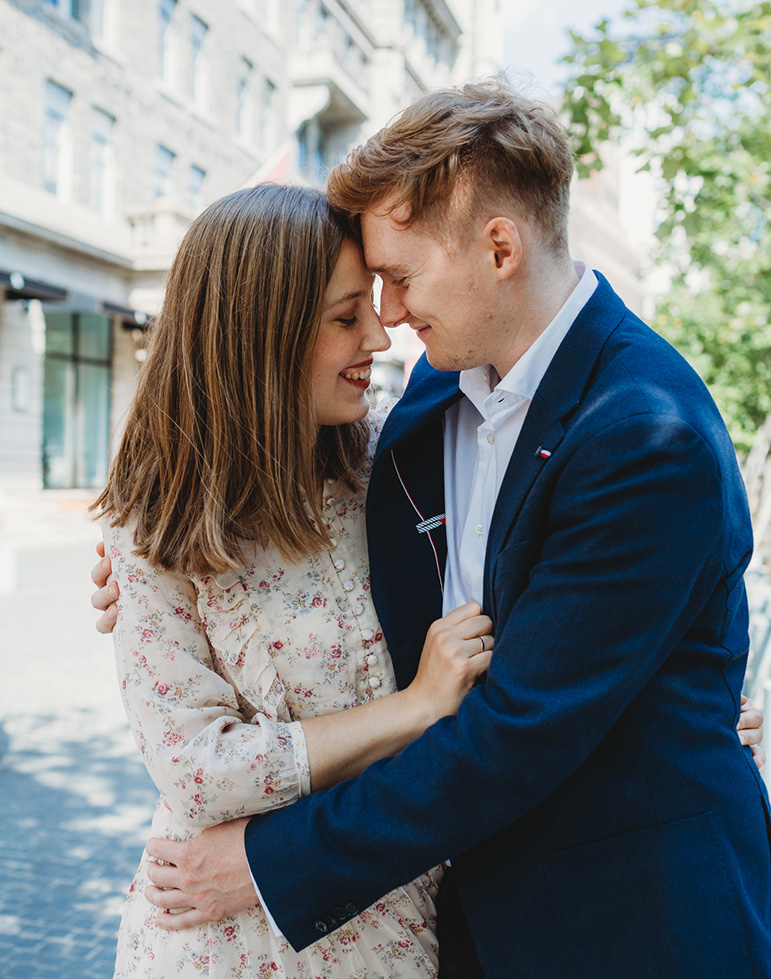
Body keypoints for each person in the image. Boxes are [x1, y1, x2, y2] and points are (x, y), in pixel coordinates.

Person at [91, 79, 771, 979]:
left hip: (618, 920)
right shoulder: (426, 399)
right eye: (360, 300)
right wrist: (151, 565)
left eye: (399, 280)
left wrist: (267, 862)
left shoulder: (645, 430)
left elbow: (520, 727)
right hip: (442, 919)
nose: (388, 320)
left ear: (499, 248)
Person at [94, 182, 495, 979]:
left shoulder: (391, 467)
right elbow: (198, 769)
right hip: (223, 938)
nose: (379, 335)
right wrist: (413, 705)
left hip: (393, 925)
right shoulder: (152, 524)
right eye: (346, 317)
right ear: (260, 336)